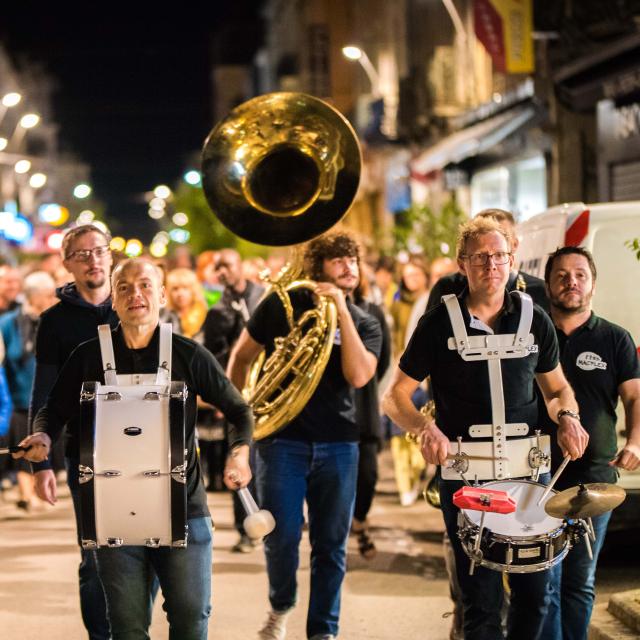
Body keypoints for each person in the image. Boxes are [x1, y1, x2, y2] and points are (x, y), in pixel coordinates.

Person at [16, 258, 254, 639]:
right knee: (126, 629)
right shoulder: (87, 356)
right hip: (113, 514)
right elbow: (51, 411)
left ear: (161, 294)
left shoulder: (188, 354)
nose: (134, 294)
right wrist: (43, 437)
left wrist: (239, 453)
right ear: (113, 299)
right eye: (123, 287)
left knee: (191, 621)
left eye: (144, 285)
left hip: (185, 510)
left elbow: (239, 411)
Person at [383, 216, 589, 640]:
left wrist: (568, 417)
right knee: (481, 599)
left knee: (537, 594)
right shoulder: (438, 324)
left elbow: (557, 390)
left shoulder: (536, 320)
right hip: (466, 478)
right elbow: (394, 396)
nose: (491, 265)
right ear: (463, 263)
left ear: (512, 260)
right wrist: (425, 427)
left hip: (530, 475)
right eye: (480, 257)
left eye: (499, 256)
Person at [228, 232, 382, 640]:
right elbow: (241, 357)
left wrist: (341, 313)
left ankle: (323, 631)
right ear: (319, 267)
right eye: (337, 260)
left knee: (331, 546)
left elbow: (359, 375)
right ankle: (281, 607)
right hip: (281, 442)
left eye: (353, 259)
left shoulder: (366, 321)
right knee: (280, 538)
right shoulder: (282, 305)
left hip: (339, 445)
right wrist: (244, 413)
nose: (348, 266)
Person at [540, 247, 640, 640]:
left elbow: (634, 397)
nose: (571, 282)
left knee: (579, 581)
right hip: (538, 477)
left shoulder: (615, 338)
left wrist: (635, 442)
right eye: (561, 275)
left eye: (580, 274)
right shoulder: (534, 334)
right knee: (542, 581)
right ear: (548, 284)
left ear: (593, 284)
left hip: (595, 481)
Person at [29, 224, 119, 640]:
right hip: (86, 451)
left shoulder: (136, 304)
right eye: (81, 254)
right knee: (95, 555)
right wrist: (41, 463)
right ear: (67, 264)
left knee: (149, 549)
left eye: (98, 251)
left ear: (110, 256)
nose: (93, 260)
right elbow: (44, 393)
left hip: (148, 448)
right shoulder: (54, 322)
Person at [201, 248, 264, 552]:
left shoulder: (263, 297)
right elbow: (214, 357)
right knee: (240, 458)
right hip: (239, 395)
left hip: (268, 391)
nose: (223, 271)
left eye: (227, 265)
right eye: (218, 267)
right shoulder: (217, 311)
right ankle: (246, 529)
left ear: (241, 266)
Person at [0, 271, 57, 513]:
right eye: (49, 295)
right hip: (16, 396)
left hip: (46, 395)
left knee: (35, 442)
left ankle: (31, 492)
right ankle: (26, 493)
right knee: (22, 444)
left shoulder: (53, 321)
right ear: (38, 296)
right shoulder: (9, 323)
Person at [426, 208, 549, 313]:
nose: (491, 264)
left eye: (501, 235)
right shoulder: (447, 288)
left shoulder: (538, 290)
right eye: (480, 255)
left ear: (514, 244)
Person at [350, 273, 391, 559]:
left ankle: (360, 519)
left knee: (367, 475)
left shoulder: (371, 312)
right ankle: (341, 532)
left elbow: (384, 357)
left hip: (363, 410)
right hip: (329, 419)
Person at [389, 257, 430, 506]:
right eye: (407, 275)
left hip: (423, 375)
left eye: (416, 274)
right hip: (401, 370)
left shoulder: (433, 300)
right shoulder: (396, 302)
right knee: (397, 434)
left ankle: (416, 473)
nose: (411, 279)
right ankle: (405, 484)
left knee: (420, 429)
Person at [165, 267, 208, 339]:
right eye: (175, 289)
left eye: (185, 288)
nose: (180, 293)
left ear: (194, 290)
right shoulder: (165, 316)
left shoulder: (205, 314)